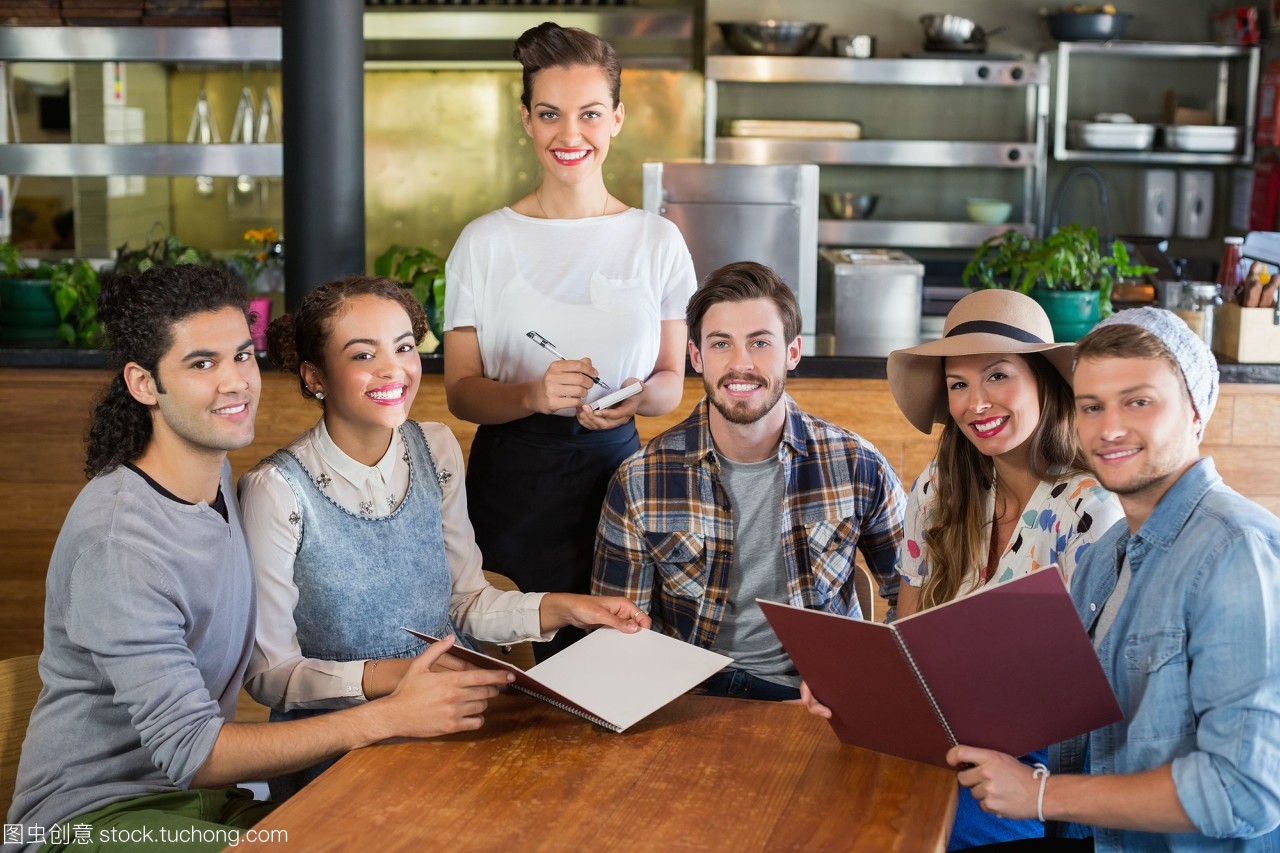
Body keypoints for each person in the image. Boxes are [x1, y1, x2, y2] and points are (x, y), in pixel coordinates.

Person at [7, 265, 513, 853]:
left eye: (242, 357)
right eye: (202, 364)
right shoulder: (119, 543)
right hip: (98, 818)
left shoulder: (211, 472)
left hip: (207, 806)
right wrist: (390, 715)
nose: (235, 383)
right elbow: (194, 753)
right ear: (144, 384)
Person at [238, 275, 649, 798]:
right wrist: (397, 679)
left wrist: (569, 608)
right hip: (338, 754)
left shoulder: (436, 449)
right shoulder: (274, 492)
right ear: (314, 375)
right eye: (363, 355)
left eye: (404, 346)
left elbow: (467, 603)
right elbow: (272, 676)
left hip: (456, 726)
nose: (394, 369)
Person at [801, 289, 1123, 849]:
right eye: (958, 384)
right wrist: (854, 687)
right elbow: (904, 638)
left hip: (1042, 764)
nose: (977, 403)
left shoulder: (1091, 510)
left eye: (998, 376)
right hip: (937, 735)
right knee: (824, 807)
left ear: (1043, 381)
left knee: (898, 832)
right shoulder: (939, 488)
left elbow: (1099, 693)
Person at [950, 307, 1280, 851]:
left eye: (1138, 402)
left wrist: (1041, 796)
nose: (1110, 428)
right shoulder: (1108, 556)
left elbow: (1244, 790)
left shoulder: (1237, 551)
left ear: (1196, 412)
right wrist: (875, 693)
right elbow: (1061, 712)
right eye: (1092, 407)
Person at [442, 22, 696, 660]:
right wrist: (531, 393)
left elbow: (670, 379)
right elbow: (462, 394)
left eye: (588, 114)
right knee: (503, 683)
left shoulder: (657, 240)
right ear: (526, 120)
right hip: (511, 486)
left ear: (616, 119)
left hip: (620, 482)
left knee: (608, 669)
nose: (570, 135)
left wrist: (634, 402)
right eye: (550, 114)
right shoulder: (483, 242)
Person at [592, 261, 906, 701]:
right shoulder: (640, 479)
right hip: (687, 697)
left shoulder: (857, 464)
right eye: (721, 344)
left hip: (819, 697)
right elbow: (621, 630)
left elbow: (915, 598)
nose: (741, 365)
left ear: (792, 352)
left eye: (760, 342)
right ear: (697, 356)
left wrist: (865, 676)